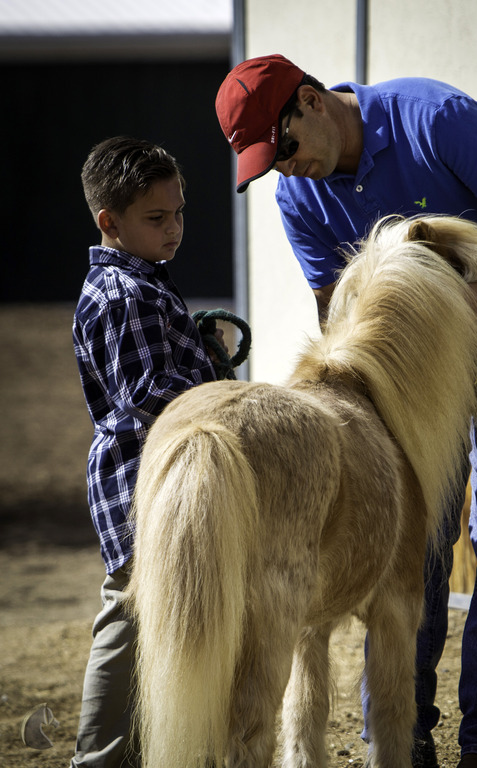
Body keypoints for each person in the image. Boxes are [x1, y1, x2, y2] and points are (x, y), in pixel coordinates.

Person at [215, 54, 477, 768]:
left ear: (311, 100)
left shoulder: (433, 118)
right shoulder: (298, 196)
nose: (285, 169)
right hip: (410, 359)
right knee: (414, 525)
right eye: (268, 165)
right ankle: (401, 737)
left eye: (284, 147)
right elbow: (337, 316)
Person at [71, 136, 222, 767]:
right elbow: (152, 395)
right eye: (157, 218)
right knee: (132, 618)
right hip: (144, 486)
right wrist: (232, 401)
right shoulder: (126, 294)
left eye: (179, 213)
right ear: (110, 221)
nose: (175, 229)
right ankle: (101, 757)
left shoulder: (144, 284)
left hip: (162, 481)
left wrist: (204, 353)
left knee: (170, 621)